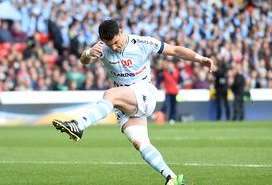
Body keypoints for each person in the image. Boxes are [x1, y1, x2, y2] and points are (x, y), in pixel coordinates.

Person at [52, 19, 214, 185]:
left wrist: (201, 59)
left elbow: (175, 50)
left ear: (121, 31)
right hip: (126, 104)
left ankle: (79, 125)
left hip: (144, 94)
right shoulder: (101, 48)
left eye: (116, 42)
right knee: (140, 143)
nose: (114, 47)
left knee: (110, 94)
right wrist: (88, 54)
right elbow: (84, 61)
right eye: (110, 45)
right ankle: (172, 178)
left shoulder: (142, 42)